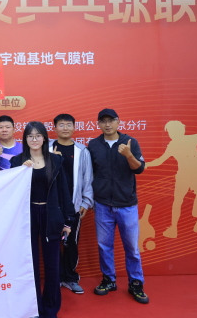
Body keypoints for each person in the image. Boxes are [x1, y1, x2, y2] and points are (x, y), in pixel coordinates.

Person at [10, 121, 75, 318]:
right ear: (25, 139)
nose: (34, 139)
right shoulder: (17, 161)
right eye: (30, 136)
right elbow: (11, 192)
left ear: (45, 138)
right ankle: (34, 307)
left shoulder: (55, 160)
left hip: (51, 215)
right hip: (27, 216)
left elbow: (64, 191)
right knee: (30, 264)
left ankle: (50, 308)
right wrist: (21, 171)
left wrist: (67, 221)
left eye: (38, 135)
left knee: (52, 264)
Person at [88, 108, 149, 304]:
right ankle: (109, 280)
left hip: (126, 205)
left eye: (111, 120)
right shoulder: (93, 145)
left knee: (132, 248)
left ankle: (136, 283)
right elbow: (90, 173)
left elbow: (139, 169)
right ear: (98, 124)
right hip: (102, 204)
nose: (107, 124)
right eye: (103, 121)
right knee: (104, 246)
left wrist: (129, 155)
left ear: (118, 122)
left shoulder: (130, 142)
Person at [48, 114, 93, 294]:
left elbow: (87, 178)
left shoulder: (82, 151)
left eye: (68, 125)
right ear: (54, 128)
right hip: (51, 205)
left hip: (73, 205)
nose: (65, 128)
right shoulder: (46, 148)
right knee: (52, 242)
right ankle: (56, 278)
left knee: (71, 243)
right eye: (61, 125)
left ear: (74, 127)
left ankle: (70, 278)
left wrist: (86, 201)